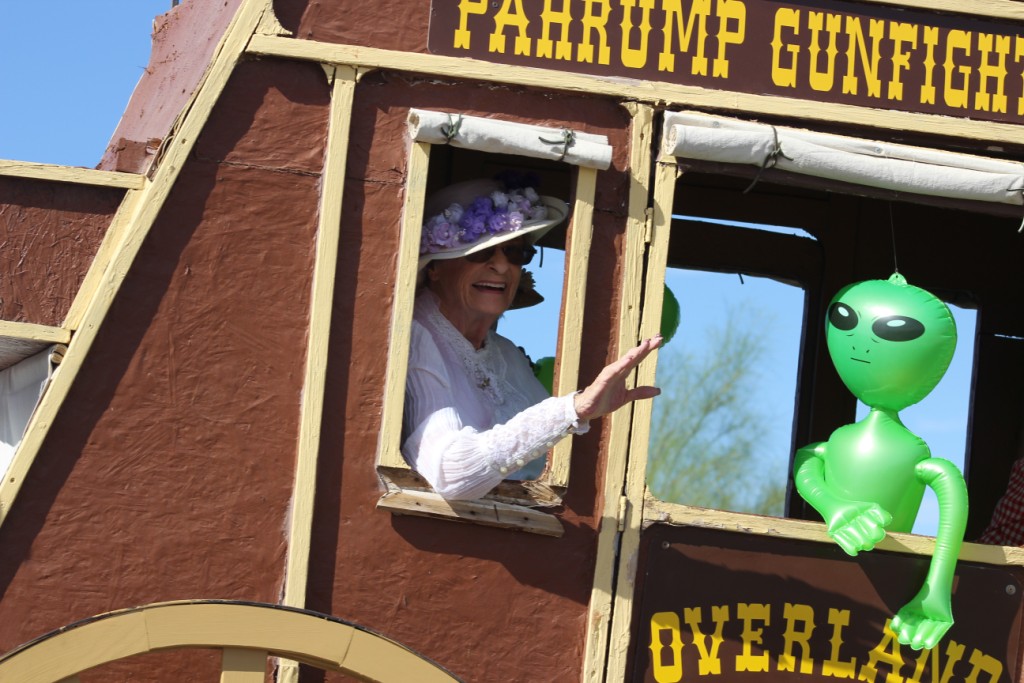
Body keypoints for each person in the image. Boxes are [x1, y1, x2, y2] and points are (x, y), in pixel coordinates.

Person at [402, 175, 661, 500]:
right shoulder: (416, 335)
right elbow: (449, 475)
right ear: (436, 267)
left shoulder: (506, 354)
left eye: (514, 253)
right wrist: (572, 410)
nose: (500, 266)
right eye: (479, 252)